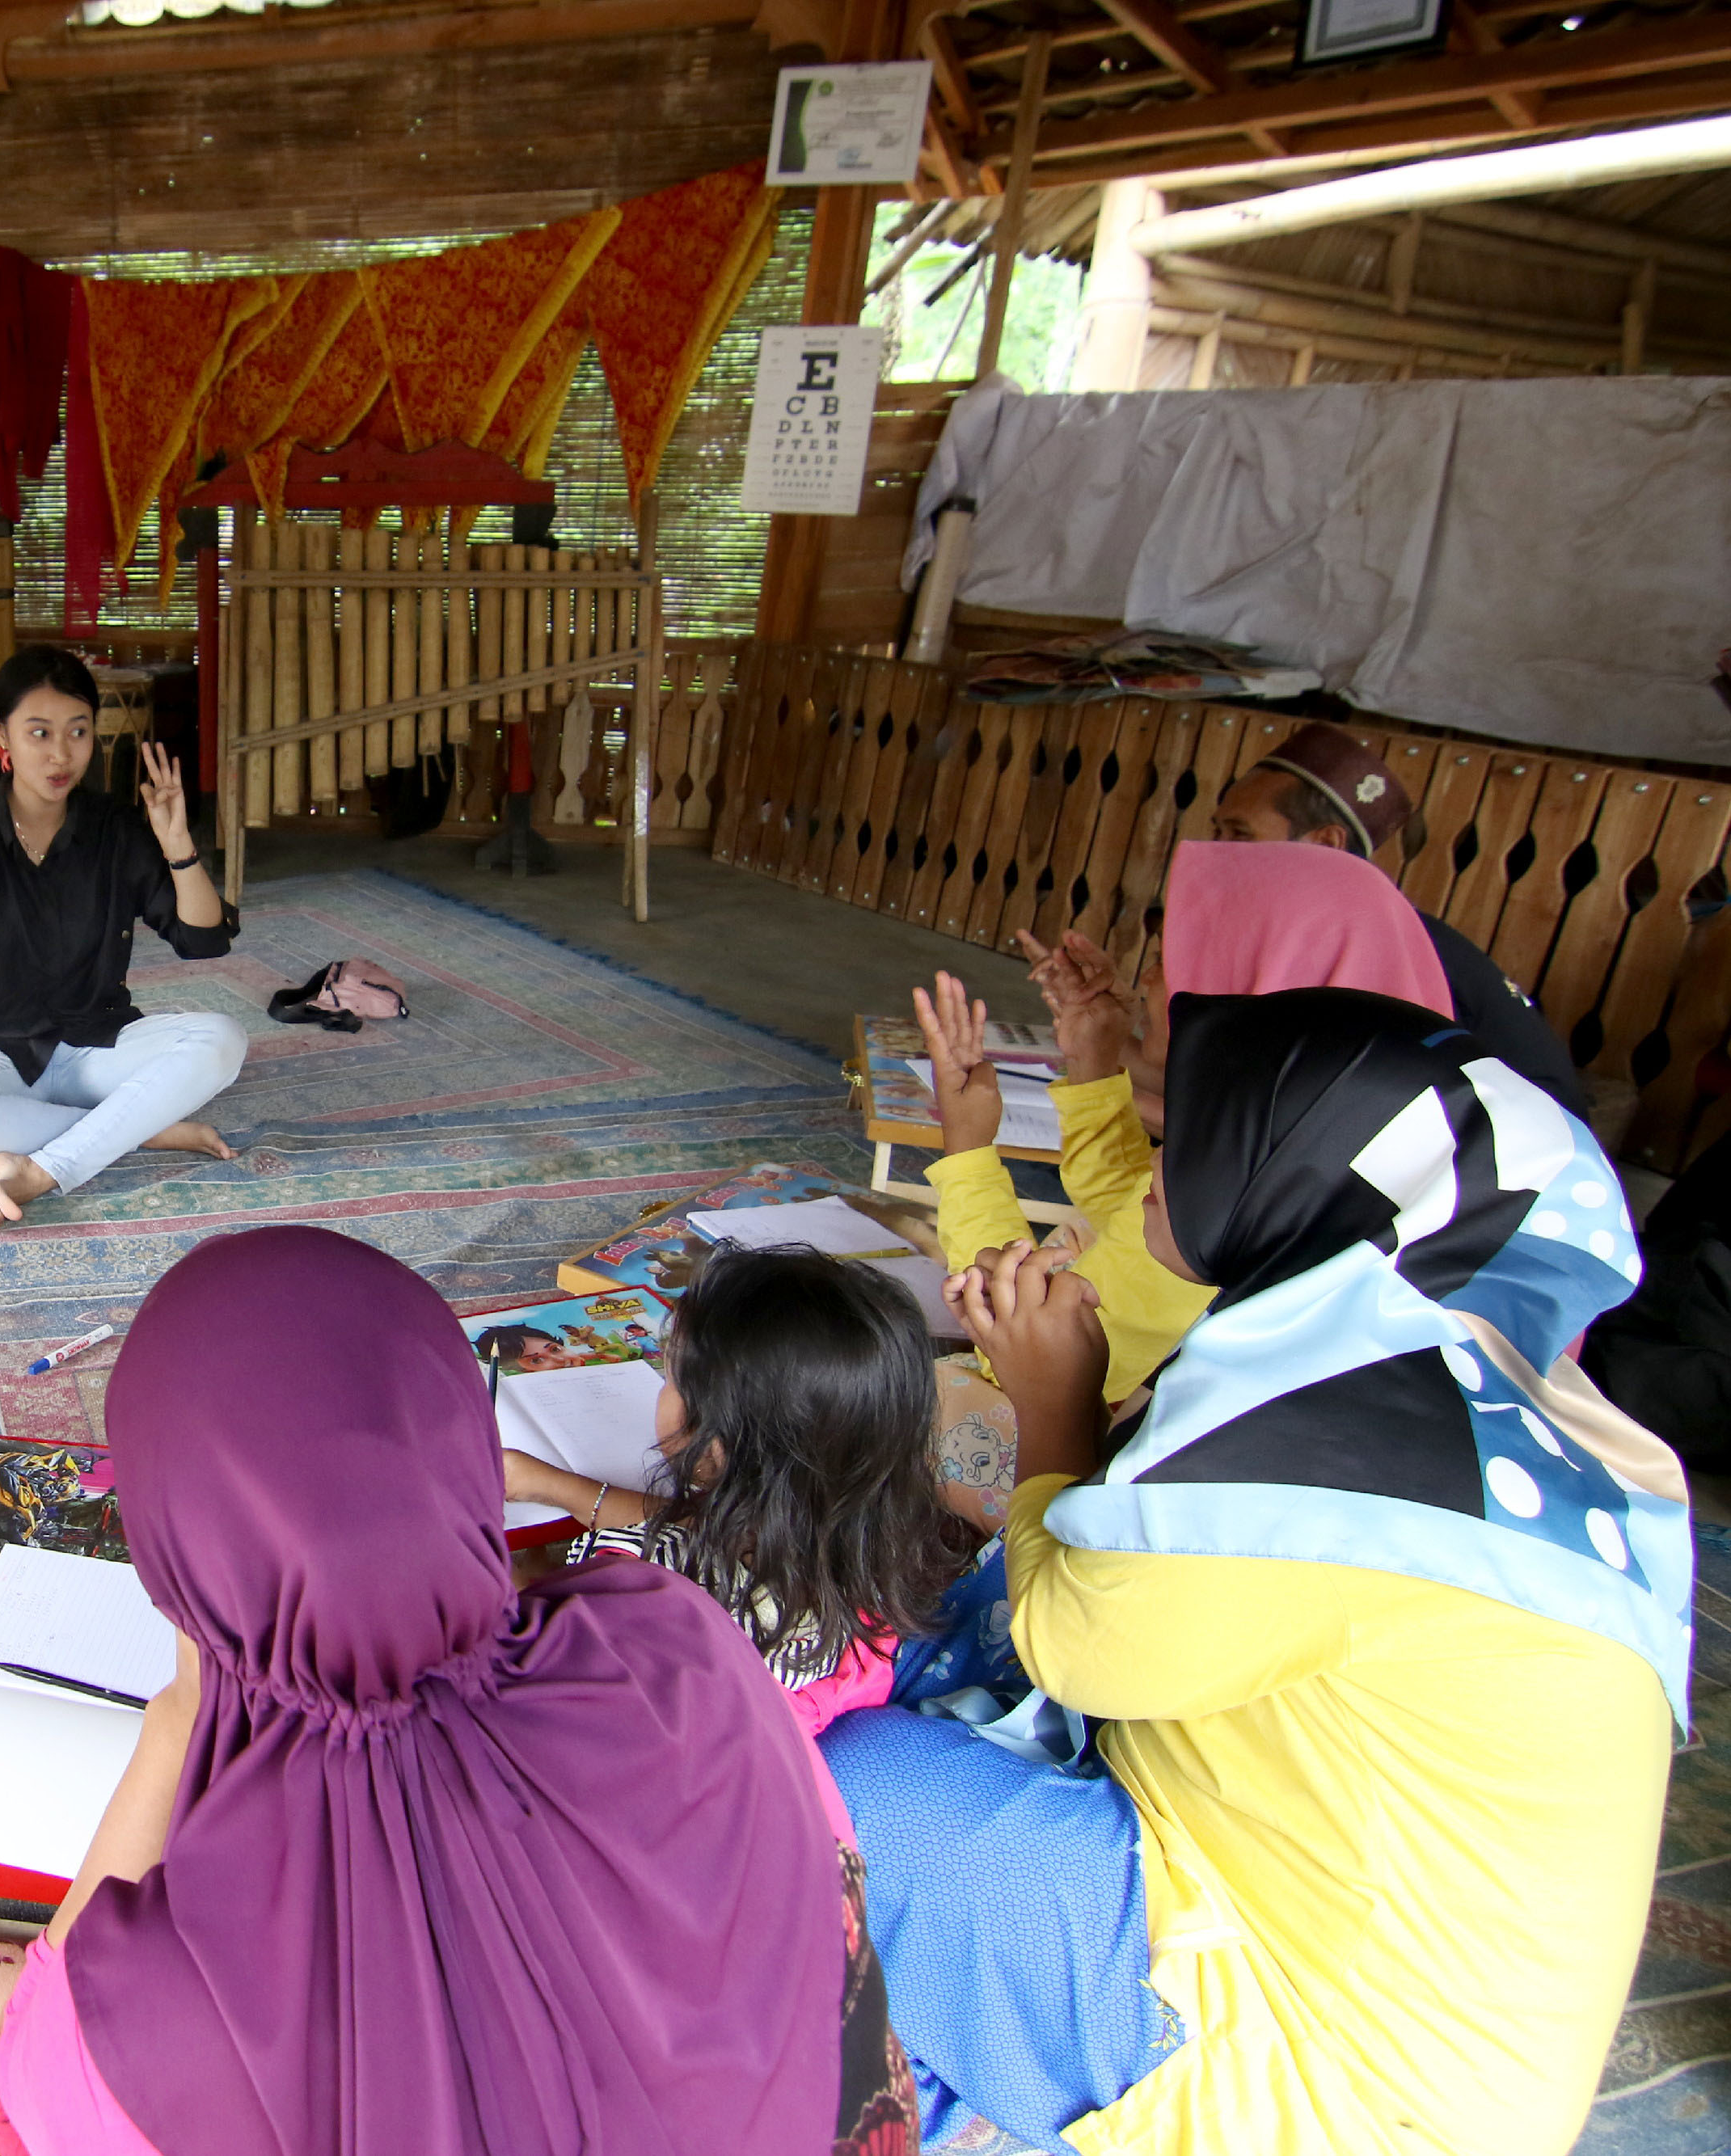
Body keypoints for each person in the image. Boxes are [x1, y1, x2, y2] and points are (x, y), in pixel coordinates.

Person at [0, 1226, 916, 2156]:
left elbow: (25, 2087)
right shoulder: (680, 1646)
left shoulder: (157, 2005)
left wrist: (183, 1709)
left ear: (177, 1558)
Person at [824, 988, 1686, 2156]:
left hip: (1338, 2083)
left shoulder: (1351, 1442)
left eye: (1198, 1145)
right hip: (1403, 2004)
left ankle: (888, 2092)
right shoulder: (1466, 1380)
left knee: (863, 1792)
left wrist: (1053, 1409)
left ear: (1300, 1175)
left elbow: (1077, 1641)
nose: (1155, 1170)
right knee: (931, 1640)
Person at [917, 840, 1457, 1414]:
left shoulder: (1233, 1232)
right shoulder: (1307, 1166)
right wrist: (1096, 1059)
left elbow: (1026, 1353)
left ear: (1257, 992)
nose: (1146, 975)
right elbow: (1122, 1205)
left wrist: (968, 1148)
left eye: (1182, 958)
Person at [500, 1245, 958, 1736]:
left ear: (715, 1444)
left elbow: (526, 1672)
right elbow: (688, 1528)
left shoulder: (636, 1598)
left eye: (670, 1379)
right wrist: (547, 1484)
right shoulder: (862, 1552)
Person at [0, 644, 246, 1230]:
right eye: (39, 732)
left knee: (223, 1039)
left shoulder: (113, 828)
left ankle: (44, 1167)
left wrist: (179, 849)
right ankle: (139, 1128)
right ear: (1, 732)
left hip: (94, 1044)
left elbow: (204, 939)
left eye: (78, 731)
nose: (60, 754)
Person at [1210, 719, 1586, 1116]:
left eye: (1239, 835)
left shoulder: (1372, 946)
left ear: (1325, 843)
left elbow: (1308, 1116)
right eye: (1215, 831)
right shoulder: (1326, 927)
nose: (1212, 854)